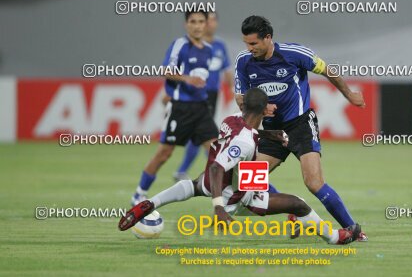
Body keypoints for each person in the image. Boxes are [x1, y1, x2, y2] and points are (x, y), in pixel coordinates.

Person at [119, 88, 361, 245]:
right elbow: (222, 165)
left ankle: (151, 203)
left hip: (212, 179)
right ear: (262, 109)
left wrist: (272, 135)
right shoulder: (244, 142)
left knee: (192, 186)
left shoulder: (232, 118)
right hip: (234, 195)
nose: (274, 107)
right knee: (299, 203)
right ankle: (334, 237)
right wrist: (219, 208)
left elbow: (248, 133)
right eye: (270, 105)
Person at [234, 16, 368, 241]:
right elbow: (240, 97)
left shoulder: (294, 54)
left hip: (300, 125)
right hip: (271, 130)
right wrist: (258, 106)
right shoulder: (243, 61)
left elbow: (328, 70)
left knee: (314, 183)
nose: (249, 48)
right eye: (246, 43)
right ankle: (294, 208)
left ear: (268, 38)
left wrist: (349, 94)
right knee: (248, 183)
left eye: (254, 43)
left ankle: (354, 230)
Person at [130, 10, 218, 206]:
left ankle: (222, 194)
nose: (197, 25)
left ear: (206, 25)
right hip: (181, 108)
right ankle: (139, 193)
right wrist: (187, 79)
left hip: (202, 108)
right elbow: (165, 70)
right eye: (193, 21)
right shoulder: (180, 45)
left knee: (216, 151)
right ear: (187, 25)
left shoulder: (208, 50)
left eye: (201, 21)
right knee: (164, 153)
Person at [173, 12, 233, 181]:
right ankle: (219, 169)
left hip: (213, 93)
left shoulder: (220, 45)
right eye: (208, 20)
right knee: (203, 133)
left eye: (214, 20)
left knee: (200, 133)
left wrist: (232, 90)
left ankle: (185, 170)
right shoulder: (191, 45)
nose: (210, 24)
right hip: (195, 94)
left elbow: (226, 69)